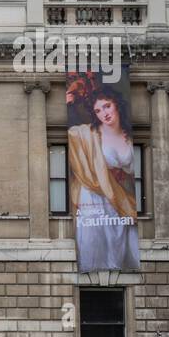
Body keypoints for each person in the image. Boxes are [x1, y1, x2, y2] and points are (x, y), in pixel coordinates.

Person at [67, 86, 139, 272]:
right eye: (98, 110)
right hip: (93, 197)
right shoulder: (88, 133)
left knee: (119, 250)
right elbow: (71, 133)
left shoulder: (129, 135)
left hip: (121, 199)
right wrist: (70, 102)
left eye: (107, 106)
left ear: (117, 105)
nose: (104, 114)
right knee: (94, 246)